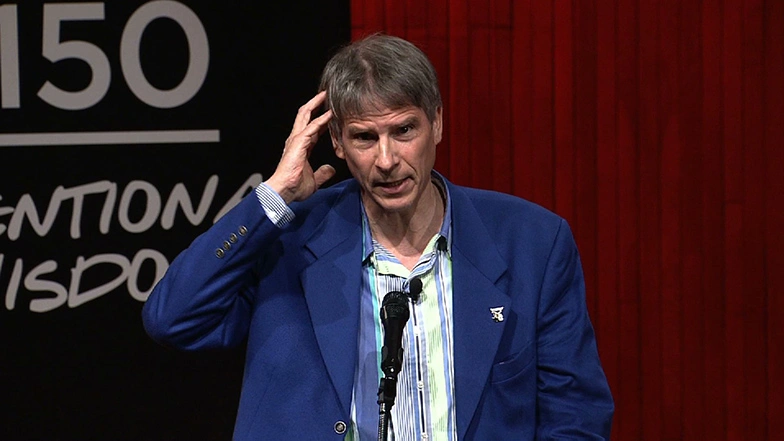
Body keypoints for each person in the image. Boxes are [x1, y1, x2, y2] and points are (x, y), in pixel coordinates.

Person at [143, 34, 614, 440]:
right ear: (337, 142)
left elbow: (575, 414)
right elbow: (174, 319)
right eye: (365, 138)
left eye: (404, 130)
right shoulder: (288, 242)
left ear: (437, 123)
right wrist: (274, 196)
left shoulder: (531, 242)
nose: (386, 160)